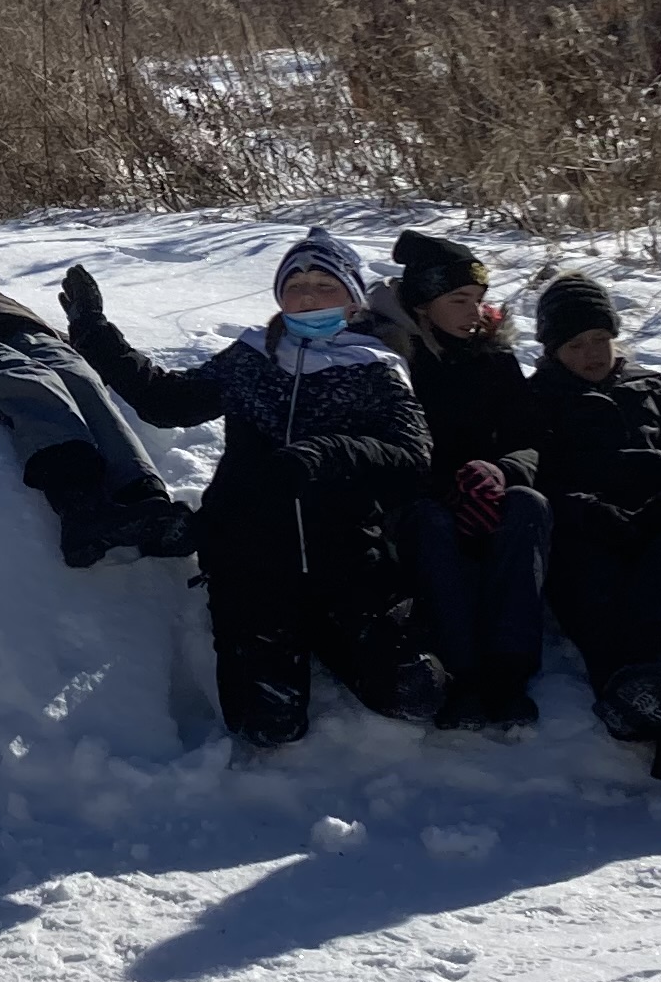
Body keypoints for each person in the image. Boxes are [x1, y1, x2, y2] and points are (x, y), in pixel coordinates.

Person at [59, 229, 439, 751]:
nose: (307, 296)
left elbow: (412, 461)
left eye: (324, 285)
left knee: (414, 697)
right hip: (251, 559)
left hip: (347, 558)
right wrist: (92, 327)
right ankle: (288, 636)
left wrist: (330, 453)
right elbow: (167, 402)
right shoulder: (252, 356)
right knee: (268, 727)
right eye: (296, 285)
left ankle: (329, 632)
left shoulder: (377, 368)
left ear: (352, 299)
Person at [520, 269, 661, 779]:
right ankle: (630, 686)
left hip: (659, 519)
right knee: (589, 575)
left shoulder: (652, 391)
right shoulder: (537, 401)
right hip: (588, 525)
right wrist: (588, 509)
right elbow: (533, 469)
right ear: (553, 350)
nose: (593, 354)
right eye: (577, 344)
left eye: (601, 339)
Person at [361, 232, 558, 739]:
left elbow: (530, 438)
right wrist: (447, 487)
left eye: (478, 300)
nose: (474, 312)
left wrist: (503, 473)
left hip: (490, 493)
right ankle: (462, 674)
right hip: (418, 499)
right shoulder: (386, 357)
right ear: (424, 305)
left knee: (528, 505)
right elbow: (380, 447)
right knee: (429, 522)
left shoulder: (493, 358)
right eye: (459, 301)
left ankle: (509, 673)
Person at [0, 254, 195, 568]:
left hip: (27, 329)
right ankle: (81, 507)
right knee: (28, 381)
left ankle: (145, 498)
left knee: (83, 381)